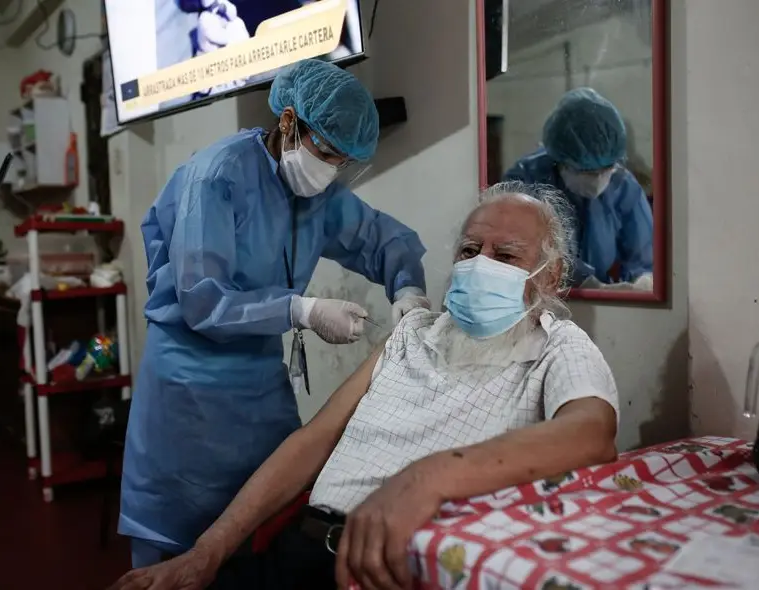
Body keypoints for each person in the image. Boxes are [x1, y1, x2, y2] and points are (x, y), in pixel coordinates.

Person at [109, 181, 619, 590]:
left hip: (397, 570)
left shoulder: (558, 348)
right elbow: (313, 442)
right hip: (305, 548)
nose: (480, 264)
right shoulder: (412, 334)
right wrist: (206, 554)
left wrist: (427, 477)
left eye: (505, 255)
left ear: (550, 278)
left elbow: (591, 433)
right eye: (469, 249)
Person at [119, 58, 432, 569]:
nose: (330, 170)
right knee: (177, 550)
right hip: (189, 391)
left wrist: (409, 292)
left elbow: (383, 238)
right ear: (288, 121)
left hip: (259, 384)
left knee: (269, 523)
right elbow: (203, 301)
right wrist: (302, 310)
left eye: (342, 162)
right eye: (325, 152)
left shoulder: (318, 195)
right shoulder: (216, 177)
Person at [504, 87, 653, 289]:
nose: (597, 179)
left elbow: (643, 253)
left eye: (606, 169)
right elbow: (523, 246)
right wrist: (584, 281)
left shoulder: (623, 187)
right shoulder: (527, 180)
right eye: (585, 172)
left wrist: (641, 281)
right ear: (559, 160)